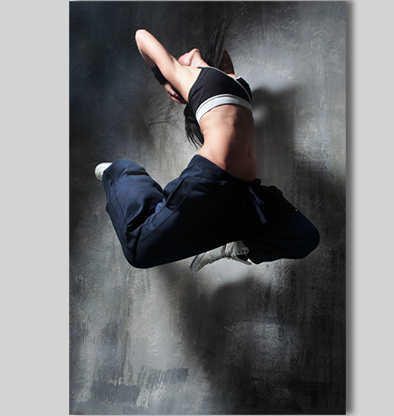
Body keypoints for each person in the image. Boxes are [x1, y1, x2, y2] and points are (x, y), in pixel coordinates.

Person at [95, 25, 319, 271]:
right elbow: (140, 36)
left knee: (304, 237)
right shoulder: (186, 76)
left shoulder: (232, 80)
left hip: (243, 192)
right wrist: (165, 80)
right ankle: (122, 173)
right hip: (209, 183)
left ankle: (234, 246)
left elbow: (220, 53)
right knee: (138, 250)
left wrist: (195, 58)